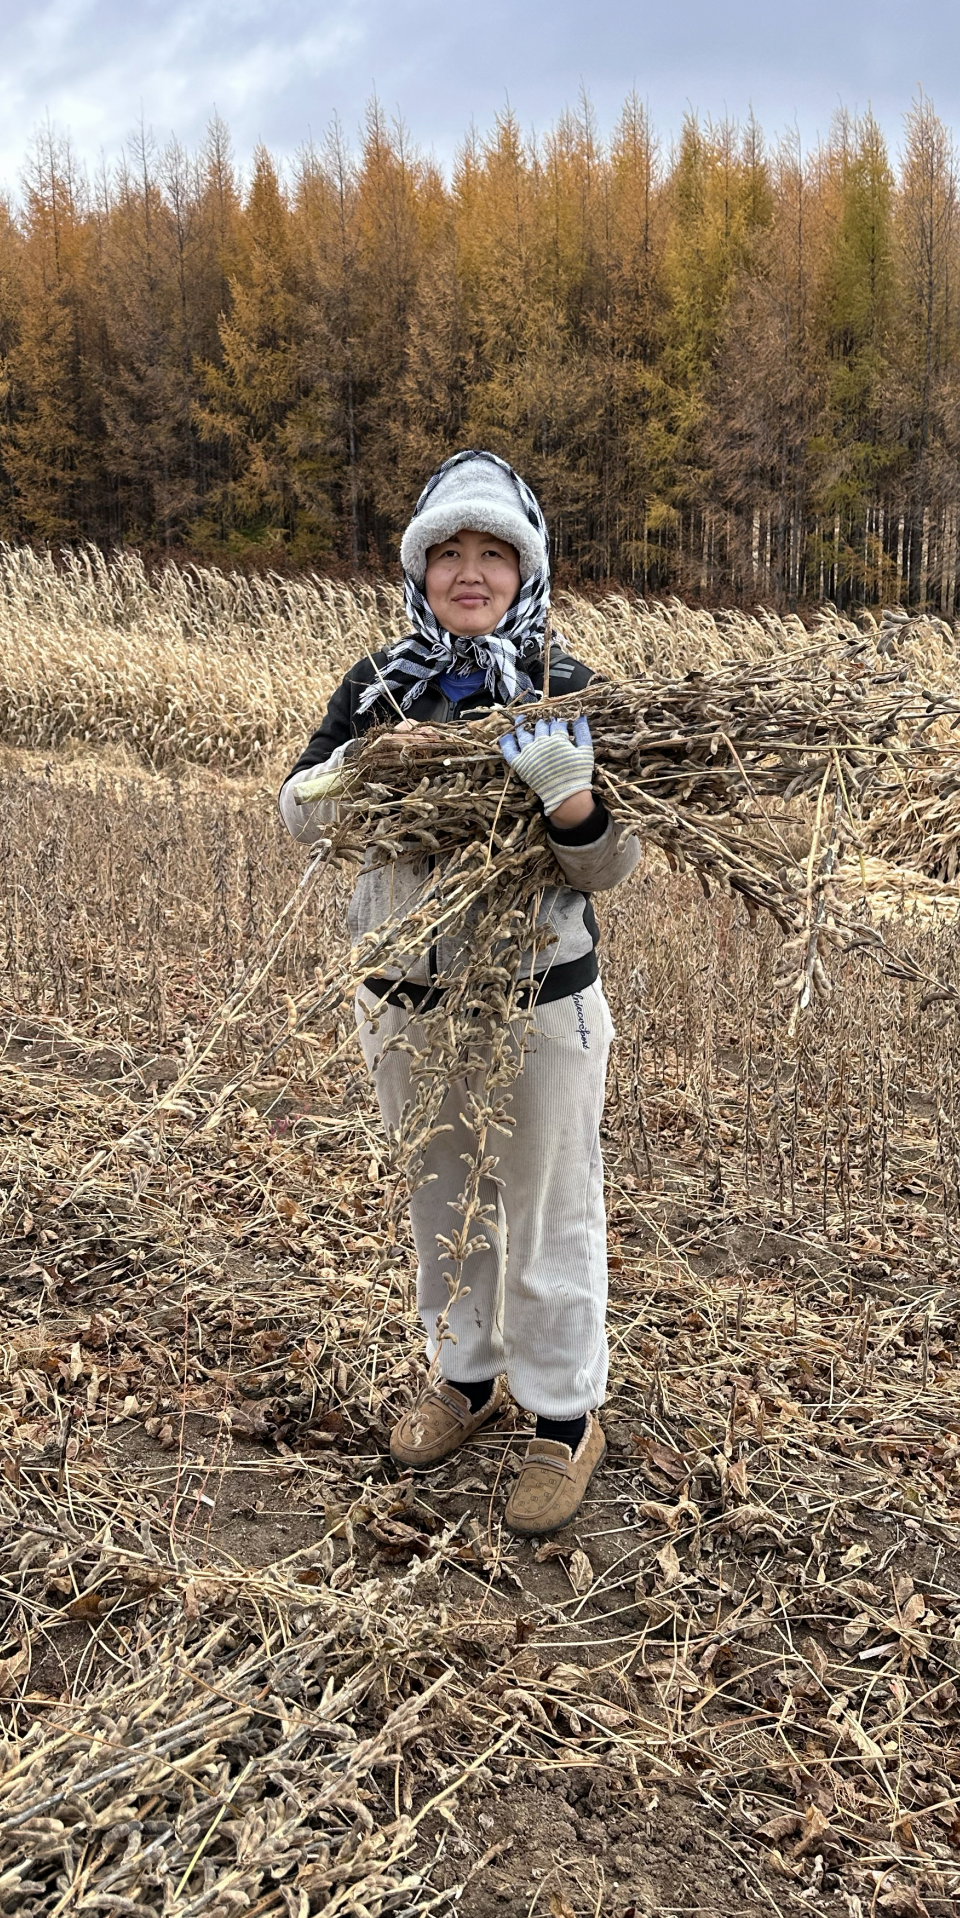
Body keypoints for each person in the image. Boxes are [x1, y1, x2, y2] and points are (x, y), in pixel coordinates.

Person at [279, 450, 640, 1536]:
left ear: (525, 569)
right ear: (420, 568)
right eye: (450, 552)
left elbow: (611, 867)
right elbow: (298, 811)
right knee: (442, 1207)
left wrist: (569, 803)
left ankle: (565, 1417)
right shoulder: (379, 684)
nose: (470, 572)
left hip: (537, 999)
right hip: (405, 999)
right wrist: (363, 769)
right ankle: (466, 1381)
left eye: (494, 552)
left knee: (545, 1212)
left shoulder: (564, 689)